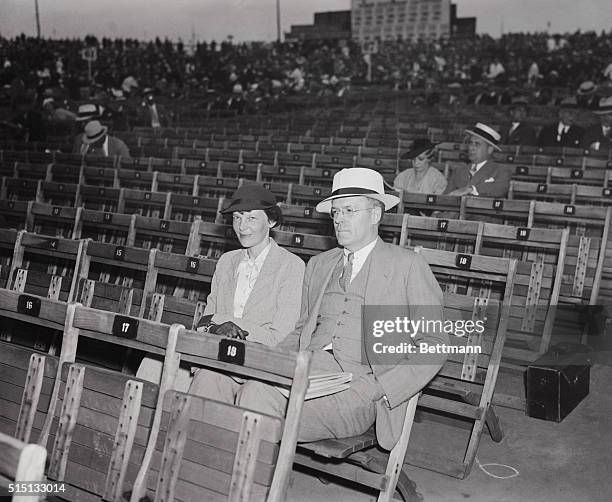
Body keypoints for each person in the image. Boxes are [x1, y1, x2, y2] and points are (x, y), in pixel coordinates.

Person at [235, 168, 447, 449]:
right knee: (252, 393)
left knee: (265, 420)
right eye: (335, 212)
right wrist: (273, 362)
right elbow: (301, 329)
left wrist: (380, 388)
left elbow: (434, 344)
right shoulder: (320, 264)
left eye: (349, 210)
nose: (339, 220)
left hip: (361, 387)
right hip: (309, 370)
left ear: (375, 215)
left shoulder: (406, 265)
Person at [146, 184, 305, 394]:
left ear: (272, 221)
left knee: (209, 379)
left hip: (257, 361)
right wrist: (216, 327)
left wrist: (226, 324)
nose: (242, 226)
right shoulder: (227, 261)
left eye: (251, 218)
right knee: (150, 364)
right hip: (217, 352)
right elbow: (205, 321)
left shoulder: (291, 266)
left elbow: (281, 337)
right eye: (237, 218)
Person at [444, 123, 511, 198]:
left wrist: (471, 189)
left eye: (477, 144)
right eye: (471, 143)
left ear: (490, 150)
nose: (471, 148)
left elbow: (500, 189)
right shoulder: (458, 171)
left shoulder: (501, 170)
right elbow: (445, 198)